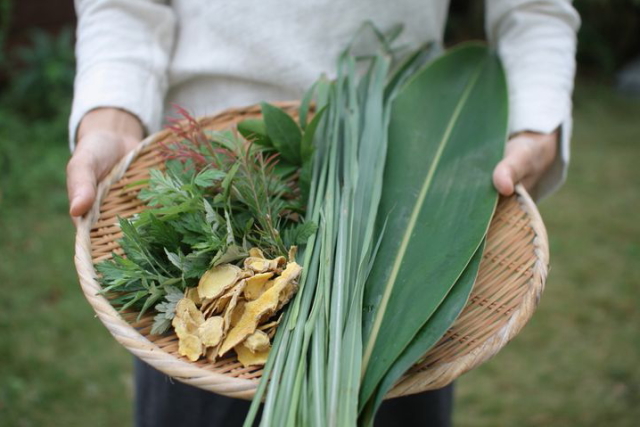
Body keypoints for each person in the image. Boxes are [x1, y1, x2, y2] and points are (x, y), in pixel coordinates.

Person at [66, 1, 580, 426]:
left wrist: (537, 120)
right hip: (206, 157)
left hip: (403, 182)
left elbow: (536, 9)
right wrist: (112, 109)